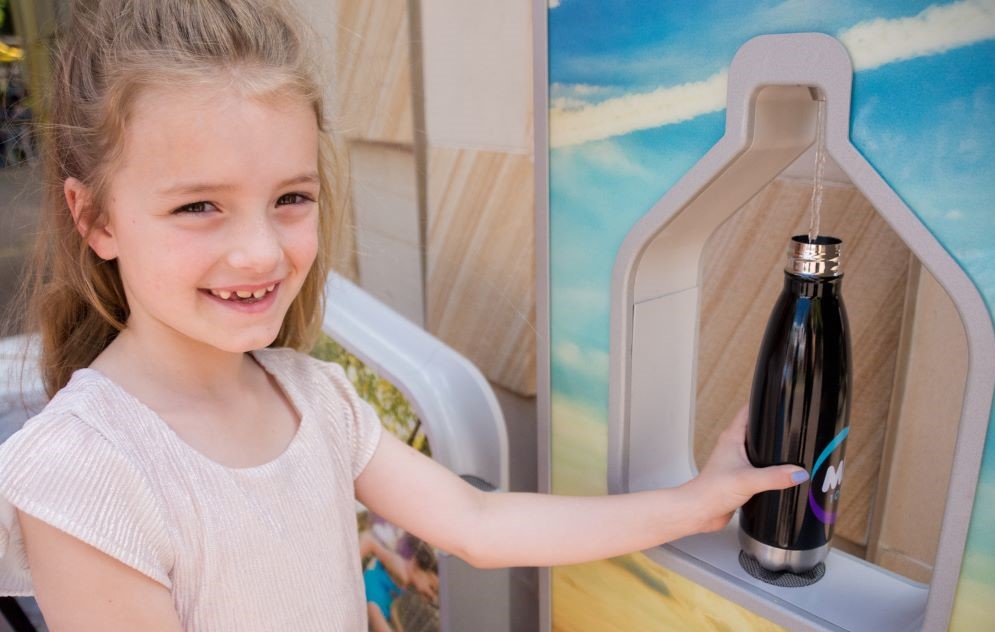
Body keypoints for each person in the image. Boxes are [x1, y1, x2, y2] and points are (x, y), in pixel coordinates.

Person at [0, 1, 809, 630]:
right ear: (94, 218)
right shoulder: (83, 472)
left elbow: (477, 522)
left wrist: (696, 502)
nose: (259, 252)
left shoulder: (310, 397)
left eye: (290, 199)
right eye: (198, 206)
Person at [359, 530, 438, 631]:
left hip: (380, 604)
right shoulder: (400, 567)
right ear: (417, 566)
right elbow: (369, 541)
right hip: (372, 595)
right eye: (431, 587)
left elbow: (392, 605)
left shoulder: (407, 583)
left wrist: (400, 629)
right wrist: (349, 572)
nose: (432, 595)